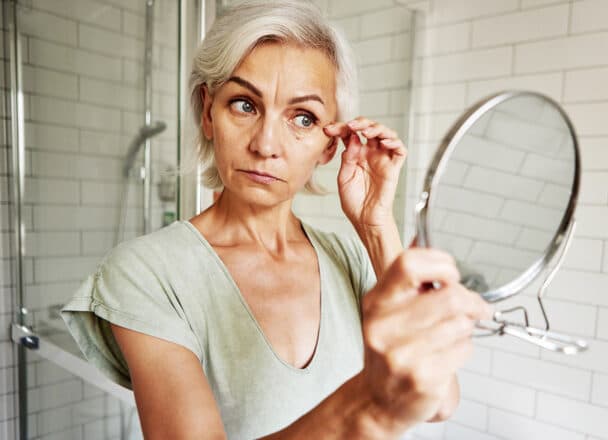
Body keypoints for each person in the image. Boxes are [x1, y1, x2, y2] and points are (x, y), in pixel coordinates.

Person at [61, 1, 490, 438]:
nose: (266, 144)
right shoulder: (146, 273)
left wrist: (376, 226)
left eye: (303, 118)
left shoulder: (351, 258)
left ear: (329, 146)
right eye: (244, 105)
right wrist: (369, 407)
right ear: (208, 112)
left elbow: (442, 400)